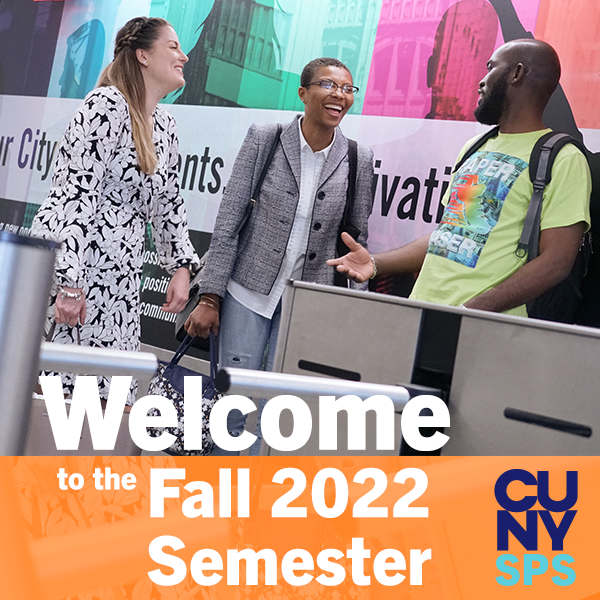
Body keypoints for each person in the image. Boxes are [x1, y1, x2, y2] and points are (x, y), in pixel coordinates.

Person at [185, 57, 375, 450]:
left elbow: (357, 243)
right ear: (303, 93)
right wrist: (209, 296)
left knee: (280, 412)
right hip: (247, 292)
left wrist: (354, 311)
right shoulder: (265, 138)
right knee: (234, 406)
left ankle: (255, 505)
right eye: (328, 85)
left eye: (347, 88)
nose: (339, 95)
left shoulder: (359, 159)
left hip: (308, 303)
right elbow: (229, 223)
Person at [328, 39, 591, 317]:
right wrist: (375, 262)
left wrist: (470, 311)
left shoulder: (564, 158)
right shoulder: (475, 146)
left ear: (516, 74)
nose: (481, 81)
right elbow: (451, 233)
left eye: (490, 68)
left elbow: (557, 262)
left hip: (482, 328)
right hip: (421, 309)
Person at [32, 17, 200, 403]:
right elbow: (73, 195)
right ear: (143, 55)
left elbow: (169, 203)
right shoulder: (105, 105)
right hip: (81, 271)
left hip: (120, 280)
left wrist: (181, 265)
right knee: (61, 396)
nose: (184, 56)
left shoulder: (166, 125)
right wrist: (70, 281)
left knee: (108, 397)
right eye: (173, 47)